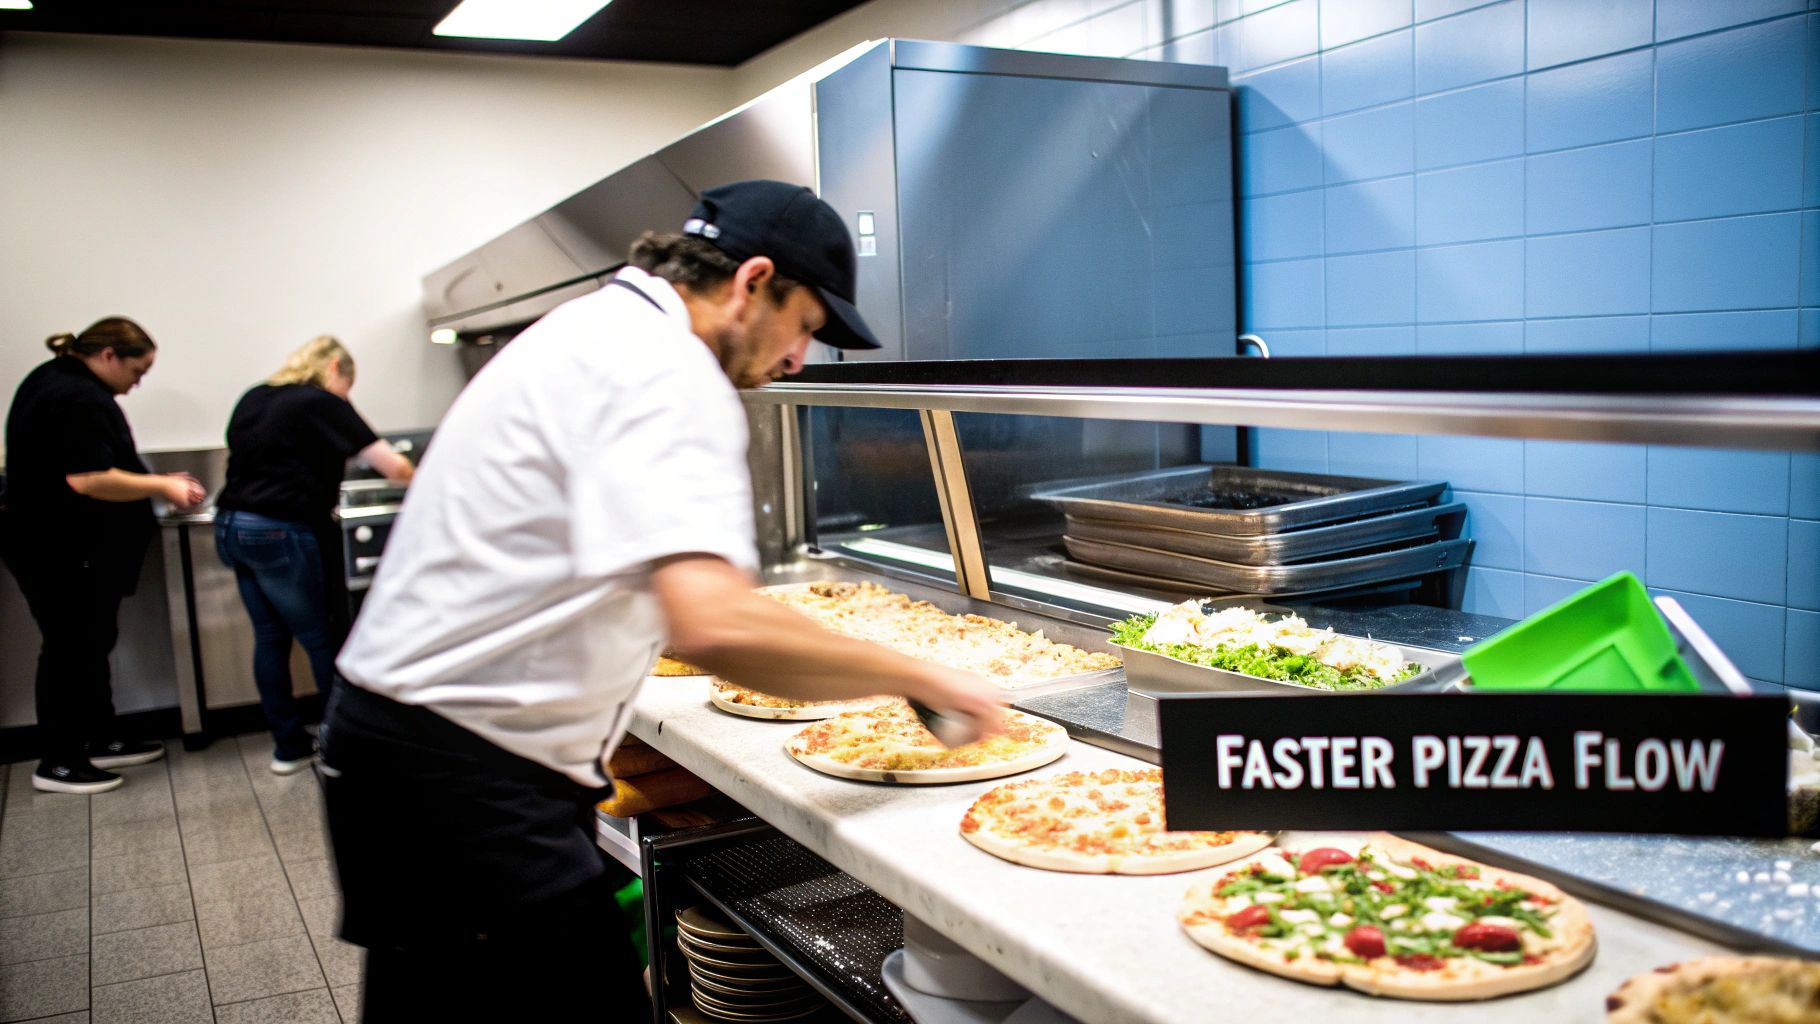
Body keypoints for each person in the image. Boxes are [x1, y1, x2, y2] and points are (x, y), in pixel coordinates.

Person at [319, 180, 1006, 1020]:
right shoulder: (668, 367)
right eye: (807, 328)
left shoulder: (599, 329)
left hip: (404, 755)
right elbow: (712, 620)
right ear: (754, 280)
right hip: (464, 778)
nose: (798, 359)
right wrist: (923, 676)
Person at [2, 317, 205, 794]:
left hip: (56, 542)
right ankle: (59, 760)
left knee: (92, 642)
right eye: (138, 371)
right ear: (109, 355)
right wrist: (163, 484)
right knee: (70, 648)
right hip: (56, 545)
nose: (137, 384)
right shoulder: (78, 396)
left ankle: (95, 738)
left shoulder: (55, 379)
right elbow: (87, 478)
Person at [214, 336, 413, 775]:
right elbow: (395, 468)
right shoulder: (321, 402)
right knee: (323, 637)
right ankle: (343, 746)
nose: (348, 397)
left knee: (270, 639)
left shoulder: (256, 396)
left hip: (232, 525)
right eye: (349, 385)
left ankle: (288, 747)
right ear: (335, 367)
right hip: (280, 530)